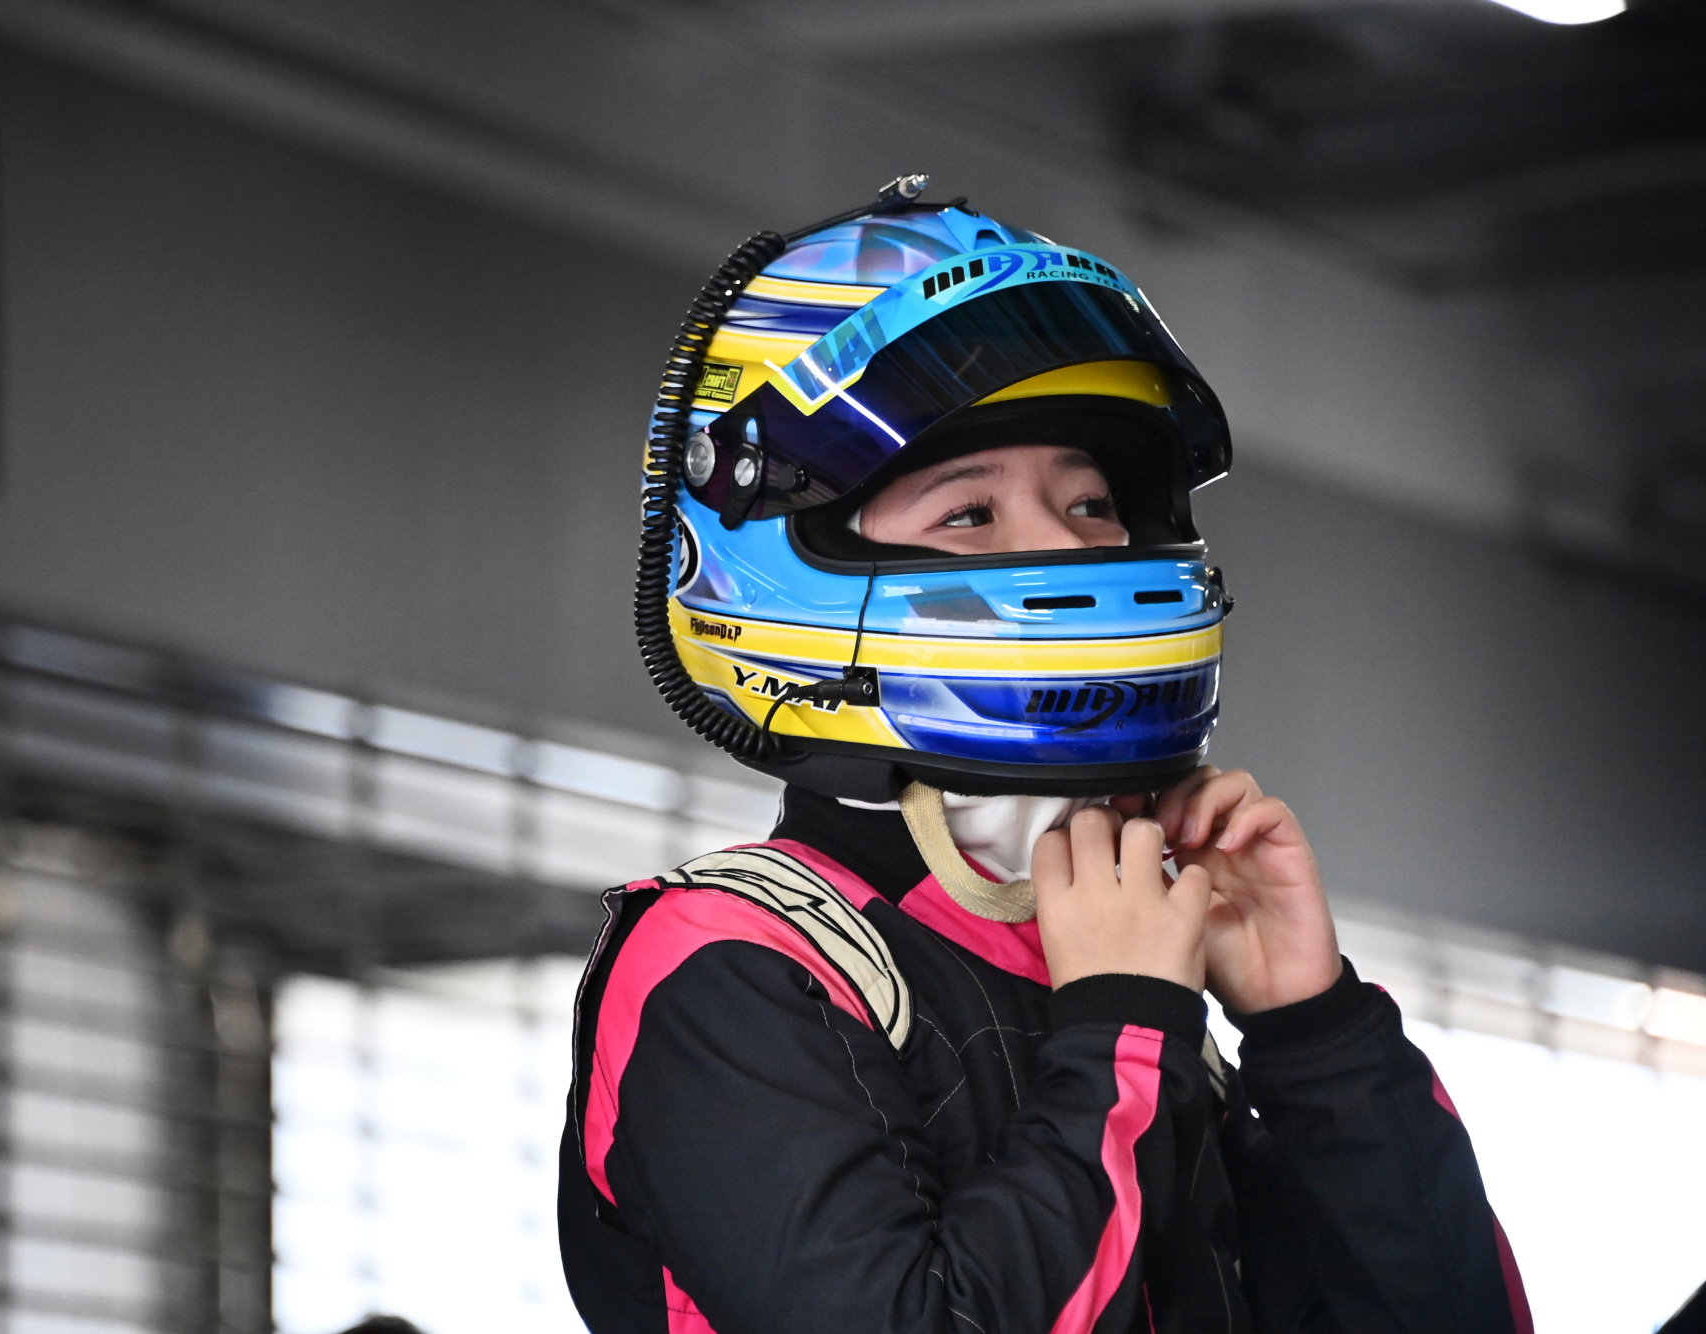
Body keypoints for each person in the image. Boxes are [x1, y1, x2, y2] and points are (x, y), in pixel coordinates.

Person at [557, 179, 1534, 1333]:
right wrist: (1120, 1027)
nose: (1065, 548)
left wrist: (1310, 1032)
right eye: (968, 513)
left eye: (1089, 501)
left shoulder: (1123, 977)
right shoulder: (727, 963)